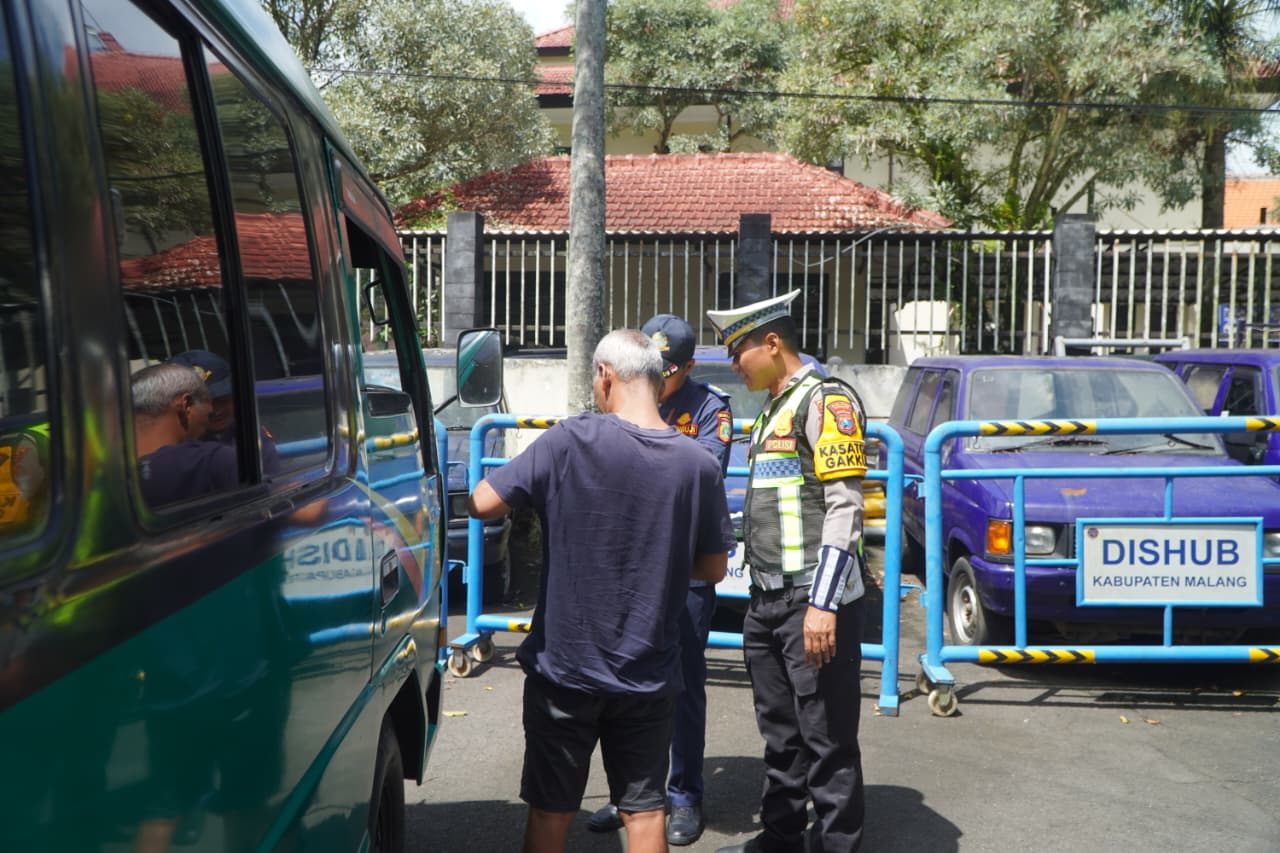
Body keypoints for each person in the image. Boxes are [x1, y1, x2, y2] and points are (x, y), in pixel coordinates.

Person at [469, 329, 736, 853]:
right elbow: (713, 567)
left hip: (565, 670)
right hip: (649, 674)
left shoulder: (570, 441)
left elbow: (482, 501)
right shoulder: (696, 464)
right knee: (645, 811)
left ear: (606, 376)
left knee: (552, 810)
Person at [706, 290, 869, 853]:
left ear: (772, 343)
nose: (733, 365)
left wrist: (822, 605)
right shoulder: (774, 405)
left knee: (827, 741)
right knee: (781, 737)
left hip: (812, 602)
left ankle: (835, 845)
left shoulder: (826, 401)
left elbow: (845, 506)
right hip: (767, 601)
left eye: (738, 351)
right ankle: (780, 840)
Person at [587, 314, 732, 846]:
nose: (659, 378)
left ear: (688, 367)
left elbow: (701, 473)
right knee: (623, 685)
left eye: (669, 371)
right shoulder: (620, 398)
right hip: (629, 569)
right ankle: (629, 794)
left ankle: (684, 795)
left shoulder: (711, 410)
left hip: (688, 573)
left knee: (685, 685)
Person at [132, 363, 239, 506]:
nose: (214, 415)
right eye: (209, 413)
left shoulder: (100, 468)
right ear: (186, 405)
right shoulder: (212, 461)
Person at [166, 349, 281, 474]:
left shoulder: (250, 435)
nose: (215, 410)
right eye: (204, 403)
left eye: (223, 400)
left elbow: (271, 483)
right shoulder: (165, 446)